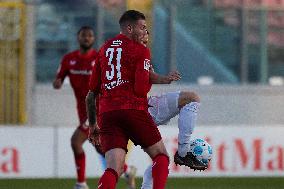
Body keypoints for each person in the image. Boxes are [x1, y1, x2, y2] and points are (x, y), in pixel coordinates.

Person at [86, 10, 170, 189]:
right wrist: (148, 77)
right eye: (143, 28)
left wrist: (93, 125)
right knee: (161, 156)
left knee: (113, 169)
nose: (145, 32)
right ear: (130, 28)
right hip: (132, 109)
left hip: (107, 114)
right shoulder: (141, 50)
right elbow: (140, 89)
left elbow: (91, 95)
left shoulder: (103, 49)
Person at [53, 26, 136, 189]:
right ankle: (127, 171)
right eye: (84, 35)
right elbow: (59, 79)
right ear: (78, 38)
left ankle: (81, 183)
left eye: (90, 36)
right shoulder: (68, 59)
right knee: (101, 149)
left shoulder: (100, 58)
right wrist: (57, 82)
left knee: (75, 142)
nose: (87, 38)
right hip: (82, 111)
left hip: (98, 110)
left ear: (93, 39)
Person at [140, 31, 207, 189]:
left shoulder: (141, 55)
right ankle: (183, 153)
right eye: (142, 31)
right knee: (191, 98)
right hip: (136, 109)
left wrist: (163, 78)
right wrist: (163, 78)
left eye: (147, 34)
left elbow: (147, 76)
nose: (145, 36)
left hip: (132, 109)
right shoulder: (132, 54)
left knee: (160, 160)